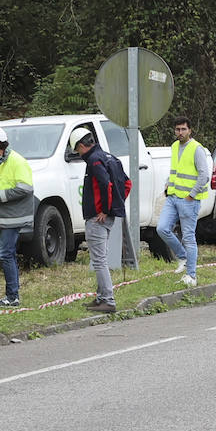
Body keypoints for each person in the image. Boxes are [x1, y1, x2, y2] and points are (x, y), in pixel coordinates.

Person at [73, 127, 127, 314]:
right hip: (107, 217)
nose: (78, 154)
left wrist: (105, 210)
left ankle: (108, 300)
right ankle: (101, 298)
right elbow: (126, 184)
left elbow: (106, 184)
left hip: (97, 218)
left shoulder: (94, 161)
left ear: (82, 145)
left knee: (99, 261)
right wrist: (114, 207)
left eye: (77, 150)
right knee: (100, 259)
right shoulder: (109, 157)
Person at [156, 116, 211, 288]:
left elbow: (204, 176)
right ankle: (183, 257)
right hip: (172, 197)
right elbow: (175, 171)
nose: (180, 132)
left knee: (188, 237)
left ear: (190, 130)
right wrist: (167, 185)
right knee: (162, 228)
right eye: (177, 129)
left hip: (189, 200)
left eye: (183, 129)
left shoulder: (197, 149)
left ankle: (191, 276)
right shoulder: (174, 146)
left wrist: (191, 195)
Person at [0, 125, 35, 306]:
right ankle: (12, 295)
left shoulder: (16, 161)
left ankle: (12, 296)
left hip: (14, 216)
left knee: (5, 253)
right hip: (5, 216)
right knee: (8, 253)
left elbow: (25, 188)